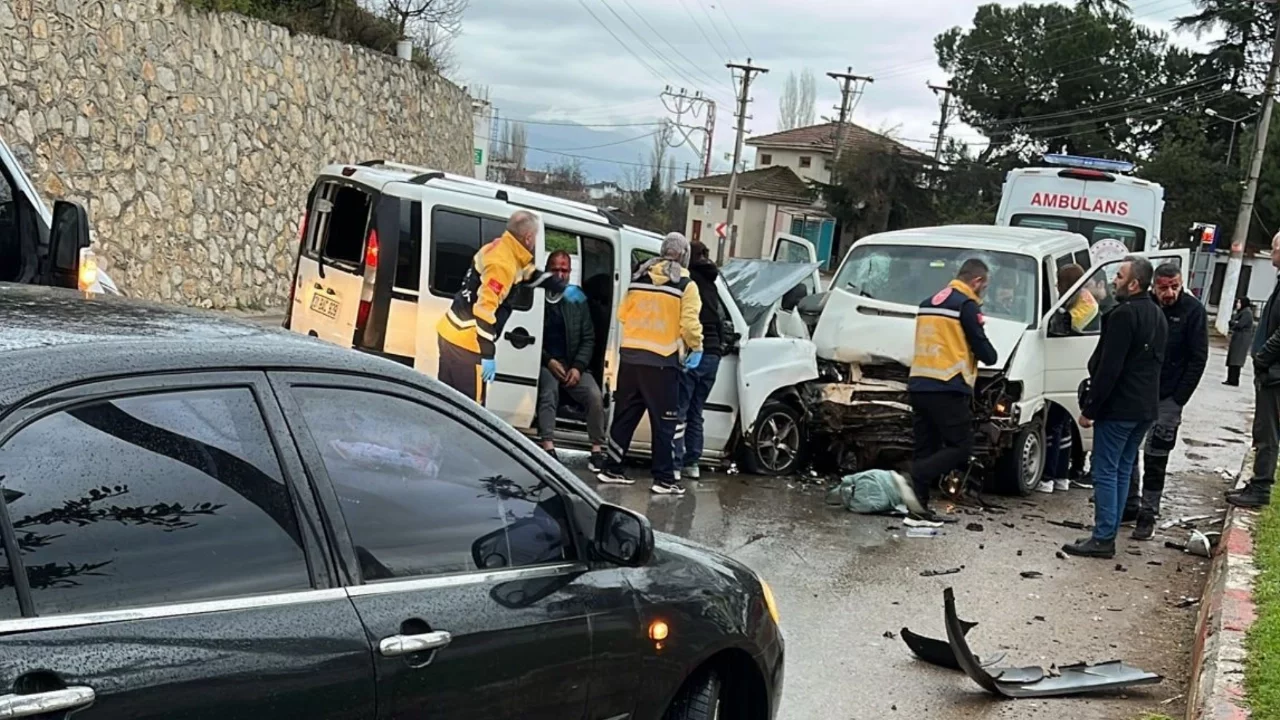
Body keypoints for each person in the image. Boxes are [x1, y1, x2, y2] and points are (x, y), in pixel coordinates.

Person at [1065, 256, 1166, 559]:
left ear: (1134, 283)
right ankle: (1108, 530)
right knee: (1122, 468)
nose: (1114, 281)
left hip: (1119, 407)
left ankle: (1104, 536)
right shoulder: (1157, 314)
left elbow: (1110, 367)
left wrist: (1090, 408)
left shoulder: (1123, 315)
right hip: (1144, 408)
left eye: (1120, 276)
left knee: (1105, 470)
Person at [435, 210, 584, 405]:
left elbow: (527, 273)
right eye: (535, 237)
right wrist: (488, 354)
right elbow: (483, 311)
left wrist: (561, 287)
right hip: (467, 344)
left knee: (445, 404)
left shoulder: (502, 247)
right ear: (528, 237)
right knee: (468, 410)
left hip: (451, 332)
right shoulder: (502, 264)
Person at [597, 232, 703, 495]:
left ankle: (611, 467)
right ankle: (665, 479)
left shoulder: (638, 277)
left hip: (631, 358)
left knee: (625, 416)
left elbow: (622, 314)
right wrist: (697, 346)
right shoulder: (686, 285)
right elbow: (689, 324)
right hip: (662, 363)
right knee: (665, 421)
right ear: (684, 255)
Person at [903, 258, 998, 526]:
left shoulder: (928, 303)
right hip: (947, 384)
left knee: (926, 445)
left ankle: (917, 510)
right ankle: (917, 475)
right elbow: (983, 349)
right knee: (961, 446)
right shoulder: (965, 305)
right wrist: (991, 355)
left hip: (919, 381)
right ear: (976, 281)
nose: (984, 292)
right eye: (985, 286)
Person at [1123, 263, 1208, 541]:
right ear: (1154, 286)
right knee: (1129, 450)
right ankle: (1130, 503)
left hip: (1169, 395)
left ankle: (1149, 513)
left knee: (1157, 455)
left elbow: (1198, 358)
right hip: (1139, 391)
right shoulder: (1145, 306)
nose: (1169, 293)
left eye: (1174, 286)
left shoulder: (1193, 311)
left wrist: (1179, 396)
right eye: (1163, 288)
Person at [536, 250, 607, 470]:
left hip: (573, 363)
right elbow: (531, 335)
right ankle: (547, 446)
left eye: (564, 270)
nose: (559, 274)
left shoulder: (576, 299)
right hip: (545, 362)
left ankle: (596, 449)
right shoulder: (537, 297)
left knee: (595, 395)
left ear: (570, 272)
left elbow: (588, 338)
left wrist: (578, 367)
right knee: (549, 392)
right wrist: (548, 361)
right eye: (555, 269)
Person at [1229, 231, 1280, 508]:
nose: (1271, 253)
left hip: (1274, 373)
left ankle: (1261, 487)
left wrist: (1262, 357)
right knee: (1262, 430)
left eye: (1274, 249)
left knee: (1267, 432)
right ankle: (1257, 482)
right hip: (1270, 371)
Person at [1041, 263, 1099, 493]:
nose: (1056, 285)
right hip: (1075, 369)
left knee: (1053, 426)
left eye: (1059, 282)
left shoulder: (1084, 305)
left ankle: (1047, 477)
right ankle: (1060, 476)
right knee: (1063, 427)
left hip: (1071, 366)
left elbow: (1066, 327)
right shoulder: (1083, 298)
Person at [675, 241, 723, 480]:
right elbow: (720, 320)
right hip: (713, 355)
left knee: (680, 410)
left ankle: (674, 462)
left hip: (696, 349)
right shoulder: (712, 281)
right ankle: (692, 462)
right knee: (696, 411)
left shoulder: (688, 280)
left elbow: (687, 319)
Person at [1225, 297, 1255, 386]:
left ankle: (1234, 380)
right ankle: (1230, 379)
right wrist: (1234, 322)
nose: (1237, 304)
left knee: (1236, 359)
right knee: (1232, 359)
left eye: (1239, 302)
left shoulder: (1247, 313)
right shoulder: (1240, 312)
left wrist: (1234, 323)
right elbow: (1232, 322)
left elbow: (1240, 324)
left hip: (1242, 339)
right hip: (1237, 337)